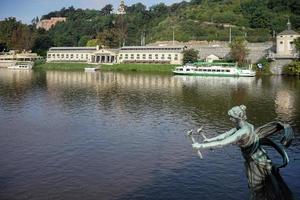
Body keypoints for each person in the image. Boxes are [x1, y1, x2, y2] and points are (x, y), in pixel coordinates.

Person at [192, 105, 294, 200]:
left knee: (256, 188)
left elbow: (223, 143)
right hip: (257, 158)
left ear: (237, 118)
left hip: (256, 162)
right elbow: (224, 135)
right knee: (261, 187)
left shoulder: (243, 131)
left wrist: (201, 146)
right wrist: (209, 140)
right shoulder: (245, 126)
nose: (229, 118)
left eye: (231, 116)